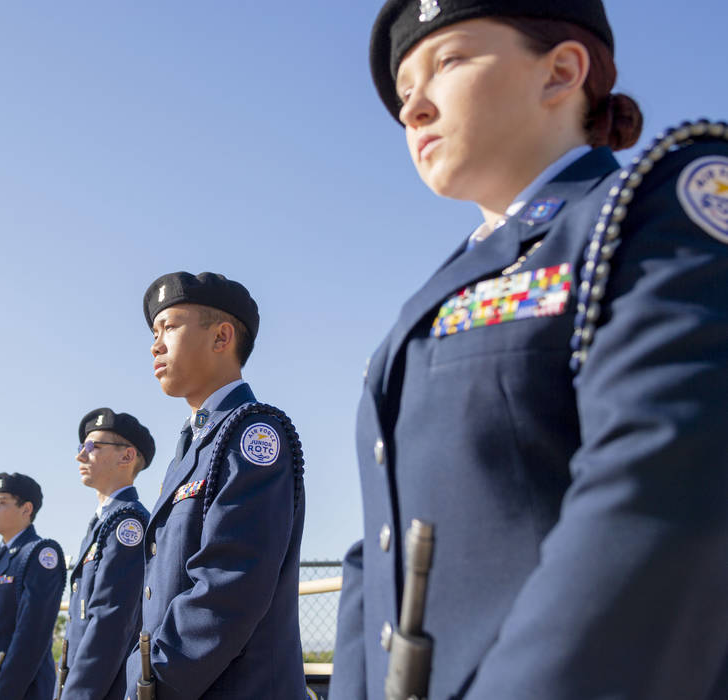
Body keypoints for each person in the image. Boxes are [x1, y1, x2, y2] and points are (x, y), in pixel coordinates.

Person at [330, 1, 728, 698]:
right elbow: (378, 548)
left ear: (562, 72)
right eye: (402, 93)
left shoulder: (655, 208)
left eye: (447, 61)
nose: (413, 108)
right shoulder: (432, 300)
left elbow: (665, 481)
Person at [125, 271, 308, 699]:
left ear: (221, 337)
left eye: (169, 327)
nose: (155, 344)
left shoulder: (253, 434)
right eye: (154, 332)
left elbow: (227, 587)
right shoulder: (193, 446)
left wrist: (148, 685)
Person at [58, 408, 154, 700]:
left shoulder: (128, 522)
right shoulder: (103, 522)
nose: (80, 456)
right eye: (81, 447)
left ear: (126, 456)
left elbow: (110, 623)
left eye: (92, 447)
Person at [0, 472, 65, 700]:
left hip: (20, 692)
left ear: (26, 509)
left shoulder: (40, 554)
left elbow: (31, 637)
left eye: (0, 503)